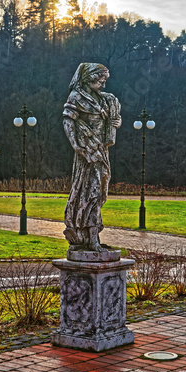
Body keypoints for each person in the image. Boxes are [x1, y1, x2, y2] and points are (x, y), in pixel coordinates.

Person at [63, 62, 121, 252]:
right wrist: (76, 145)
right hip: (87, 153)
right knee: (91, 192)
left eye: (105, 81)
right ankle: (91, 238)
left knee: (100, 190)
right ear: (88, 78)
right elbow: (68, 121)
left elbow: (110, 121)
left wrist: (116, 122)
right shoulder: (76, 97)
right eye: (100, 81)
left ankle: (90, 237)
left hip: (100, 150)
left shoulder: (104, 100)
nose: (103, 85)